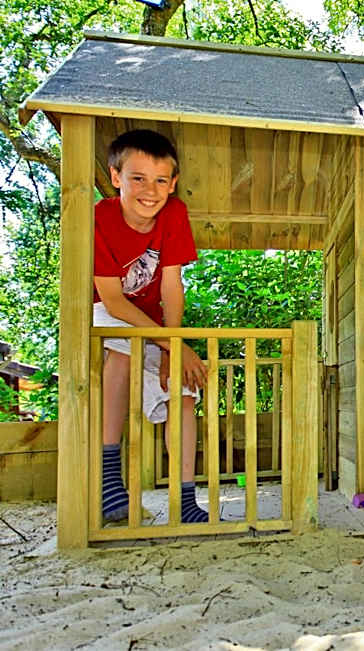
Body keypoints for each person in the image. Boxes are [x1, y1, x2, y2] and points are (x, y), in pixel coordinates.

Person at [94, 129, 209, 523]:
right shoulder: (99, 217)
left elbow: (172, 287)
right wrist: (171, 345)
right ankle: (109, 484)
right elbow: (111, 299)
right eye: (137, 178)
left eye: (161, 180)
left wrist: (171, 347)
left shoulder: (174, 214)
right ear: (115, 177)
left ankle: (186, 500)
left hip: (154, 322)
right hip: (108, 310)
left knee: (183, 390)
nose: (150, 190)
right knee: (124, 350)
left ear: (173, 184)